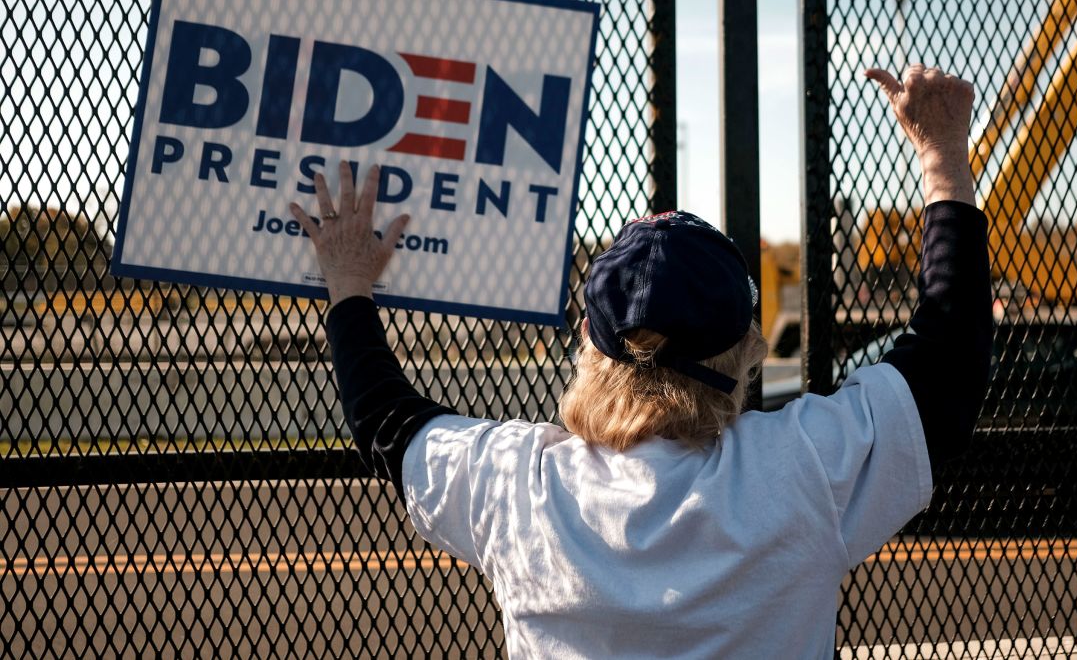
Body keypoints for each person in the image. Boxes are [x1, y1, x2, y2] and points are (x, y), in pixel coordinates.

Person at [289, 64, 991, 659]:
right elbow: (947, 362)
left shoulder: (518, 486)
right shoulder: (800, 470)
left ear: (591, 348)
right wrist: (941, 159)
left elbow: (386, 420)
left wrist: (349, 286)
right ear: (748, 346)